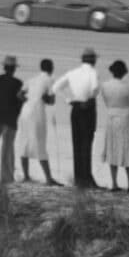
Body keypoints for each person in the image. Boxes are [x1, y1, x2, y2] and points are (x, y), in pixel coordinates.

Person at [52, 47, 101, 189]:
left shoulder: (72, 73)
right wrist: (89, 98)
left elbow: (56, 87)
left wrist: (68, 99)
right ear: (92, 60)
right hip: (88, 108)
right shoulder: (93, 72)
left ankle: (79, 178)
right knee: (87, 142)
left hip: (75, 109)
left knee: (77, 143)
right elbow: (95, 88)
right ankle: (87, 177)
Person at [100, 59, 129, 193]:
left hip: (112, 118)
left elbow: (106, 102)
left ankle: (114, 183)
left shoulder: (105, 85)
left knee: (113, 149)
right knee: (128, 150)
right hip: (126, 119)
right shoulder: (127, 87)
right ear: (123, 72)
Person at [18, 58, 61, 186]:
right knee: (40, 142)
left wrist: (29, 99)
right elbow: (51, 101)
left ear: (41, 68)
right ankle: (48, 178)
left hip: (25, 111)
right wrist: (44, 98)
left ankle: (26, 176)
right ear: (51, 68)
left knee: (24, 142)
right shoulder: (50, 80)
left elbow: (19, 95)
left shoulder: (32, 79)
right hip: (37, 112)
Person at [0, 55, 24, 185]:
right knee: (7, 149)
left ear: (4, 67)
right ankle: (6, 178)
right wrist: (16, 117)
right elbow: (19, 103)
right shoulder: (18, 83)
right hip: (10, 119)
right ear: (14, 69)